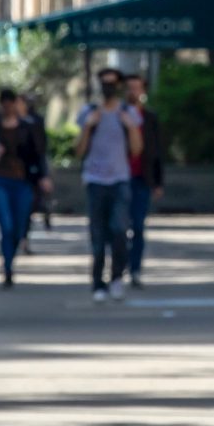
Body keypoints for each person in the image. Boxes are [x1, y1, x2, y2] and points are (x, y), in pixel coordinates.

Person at [78, 73, 145, 302]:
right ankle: (98, 282)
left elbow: (137, 150)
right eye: (104, 84)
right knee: (97, 234)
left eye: (112, 84)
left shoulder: (128, 112)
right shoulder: (88, 112)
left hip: (119, 180)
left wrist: (131, 127)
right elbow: (78, 151)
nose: (108, 88)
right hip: (95, 181)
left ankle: (117, 277)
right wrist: (88, 127)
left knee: (119, 230)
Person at [0, 89, 49, 287]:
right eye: (5, 103)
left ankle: (11, 257)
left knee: (20, 226)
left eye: (12, 103)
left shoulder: (28, 127)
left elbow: (39, 153)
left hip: (23, 182)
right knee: (7, 225)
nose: (8, 107)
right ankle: (8, 267)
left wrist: (42, 177)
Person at [125, 72, 166, 286]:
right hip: (120, 179)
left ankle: (135, 269)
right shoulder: (118, 115)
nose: (133, 92)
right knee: (119, 226)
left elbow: (157, 151)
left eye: (136, 87)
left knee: (138, 226)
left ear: (143, 91)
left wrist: (158, 182)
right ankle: (120, 263)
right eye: (129, 87)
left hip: (142, 178)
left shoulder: (150, 118)